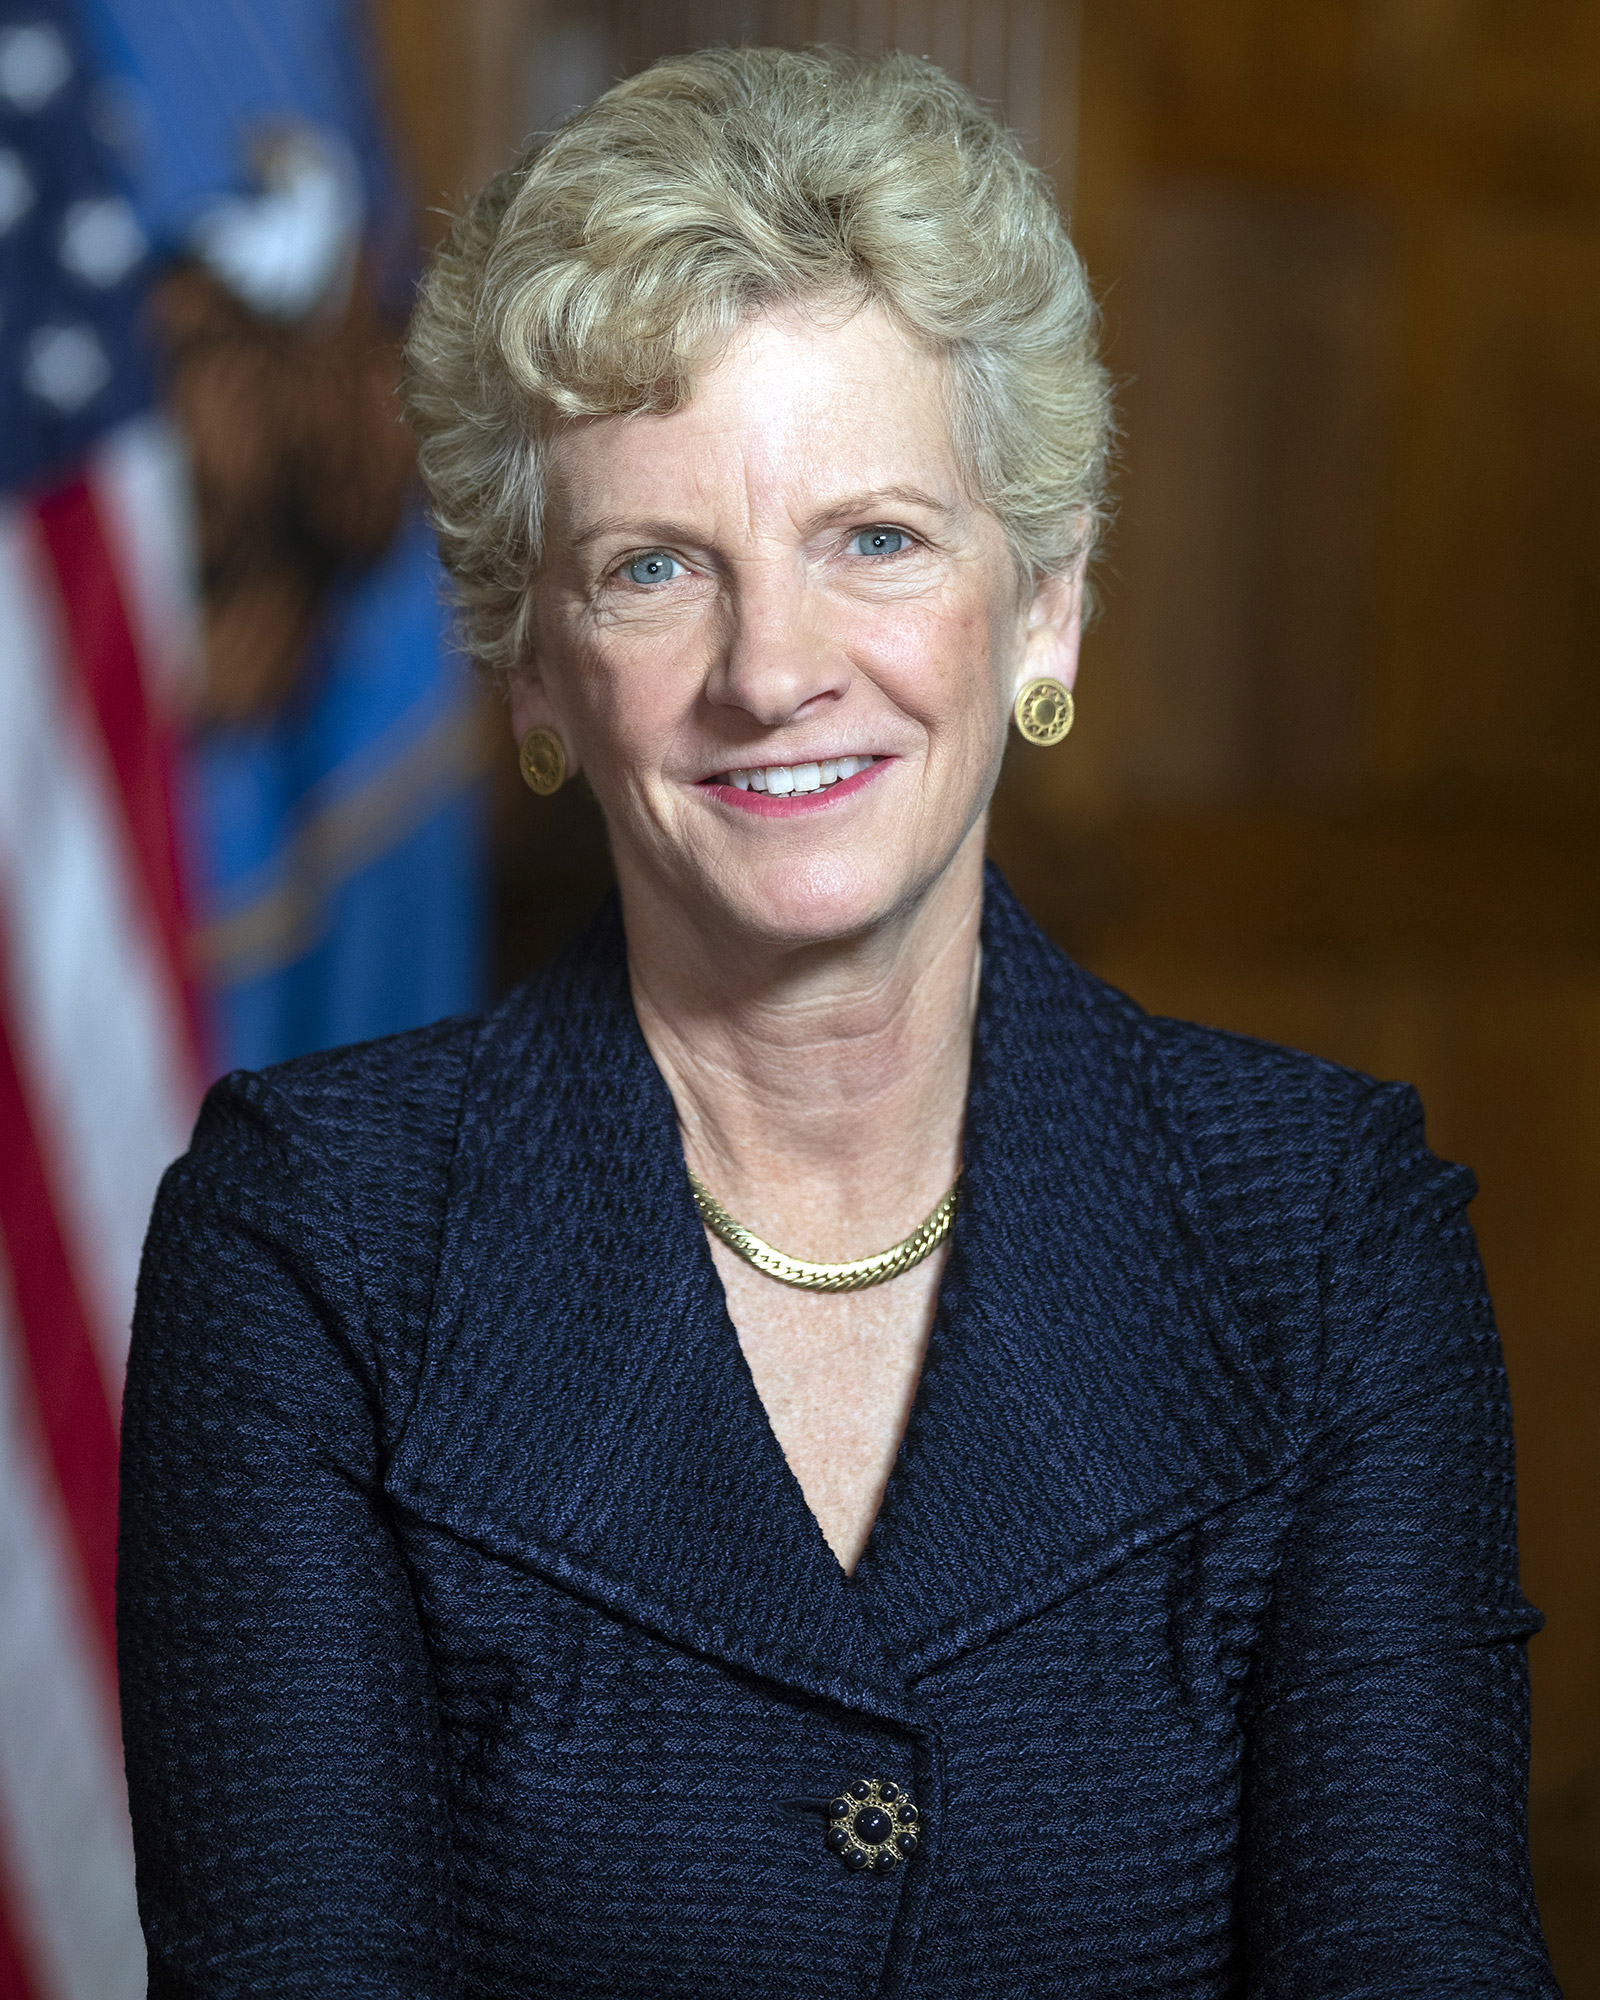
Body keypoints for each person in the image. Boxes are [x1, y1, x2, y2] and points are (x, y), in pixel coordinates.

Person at [118, 46, 1557, 1999]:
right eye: (650, 569)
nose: (771, 669)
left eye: (872, 538)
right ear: (535, 672)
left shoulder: (1323, 1233)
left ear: (1039, 607)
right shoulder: (306, 1239)